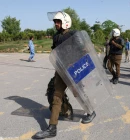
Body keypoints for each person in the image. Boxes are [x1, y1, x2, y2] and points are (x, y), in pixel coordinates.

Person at [33, 11, 95, 139]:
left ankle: (91, 112)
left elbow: (84, 50)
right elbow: (55, 52)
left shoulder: (74, 35)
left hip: (73, 70)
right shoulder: (56, 36)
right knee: (57, 96)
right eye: (55, 21)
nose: (55, 23)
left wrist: (77, 64)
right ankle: (52, 128)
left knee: (78, 93)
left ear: (65, 23)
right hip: (61, 70)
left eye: (58, 21)